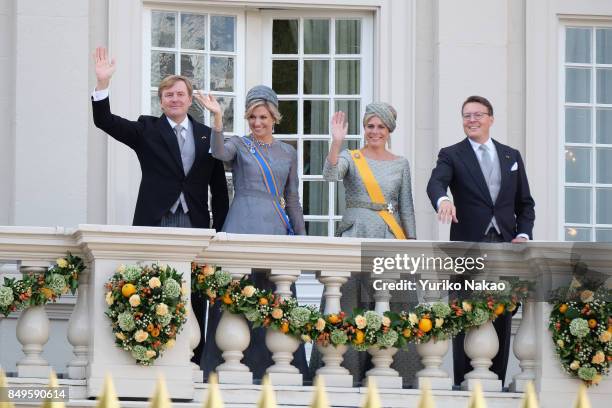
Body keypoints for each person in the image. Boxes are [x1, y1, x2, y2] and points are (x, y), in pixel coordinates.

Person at [90, 47, 229, 365]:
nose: (175, 99)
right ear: (161, 100)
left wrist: (219, 232)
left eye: (180, 94)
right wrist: (102, 84)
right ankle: (152, 359)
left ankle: (192, 363)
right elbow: (105, 121)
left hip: (195, 225)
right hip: (156, 222)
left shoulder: (209, 136)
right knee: (153, 289)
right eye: (169, 95)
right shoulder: (147, 129)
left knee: (193, 296)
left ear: (190, 98)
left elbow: (219, 191)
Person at [193, 85, 309, 382]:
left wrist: (301, 236)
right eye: (252, 117)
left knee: (275, 296)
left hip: (274, 228)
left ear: (274, 117)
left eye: (263, 117)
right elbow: (218, 152)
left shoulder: (288, 152)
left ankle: (276, 367)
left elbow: (293, 198)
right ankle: (223, 367)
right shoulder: (240, 145)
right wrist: (218, 118)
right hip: (241, 223)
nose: (257, 123)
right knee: (234, 295)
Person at [426, 95, 535, 386]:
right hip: (469, 246)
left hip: (505, 246)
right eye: (466, 116)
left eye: (477, 115)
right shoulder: (451, 153)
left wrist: (523, 234)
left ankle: (496, 382)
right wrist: (443, 200)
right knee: (467, 312)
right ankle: (465, 383)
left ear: (491, 118)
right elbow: (436, 182)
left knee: (502, 313)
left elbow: (525, 204)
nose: (471, 120)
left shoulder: (511, 156)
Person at [309, 102, 418, 386]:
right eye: (370, 126)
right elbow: (330, 175)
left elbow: (406, 207)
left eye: (381, 127)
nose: (375, 131)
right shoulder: (351, 156)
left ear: (389, 130)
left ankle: (395, 372)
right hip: (355, 231)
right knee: (347, 301)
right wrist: (336, 142)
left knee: (389, 305)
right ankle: (347, 372)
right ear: (364, 128)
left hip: (388, 236)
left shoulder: (400, 163)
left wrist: (411, 244)